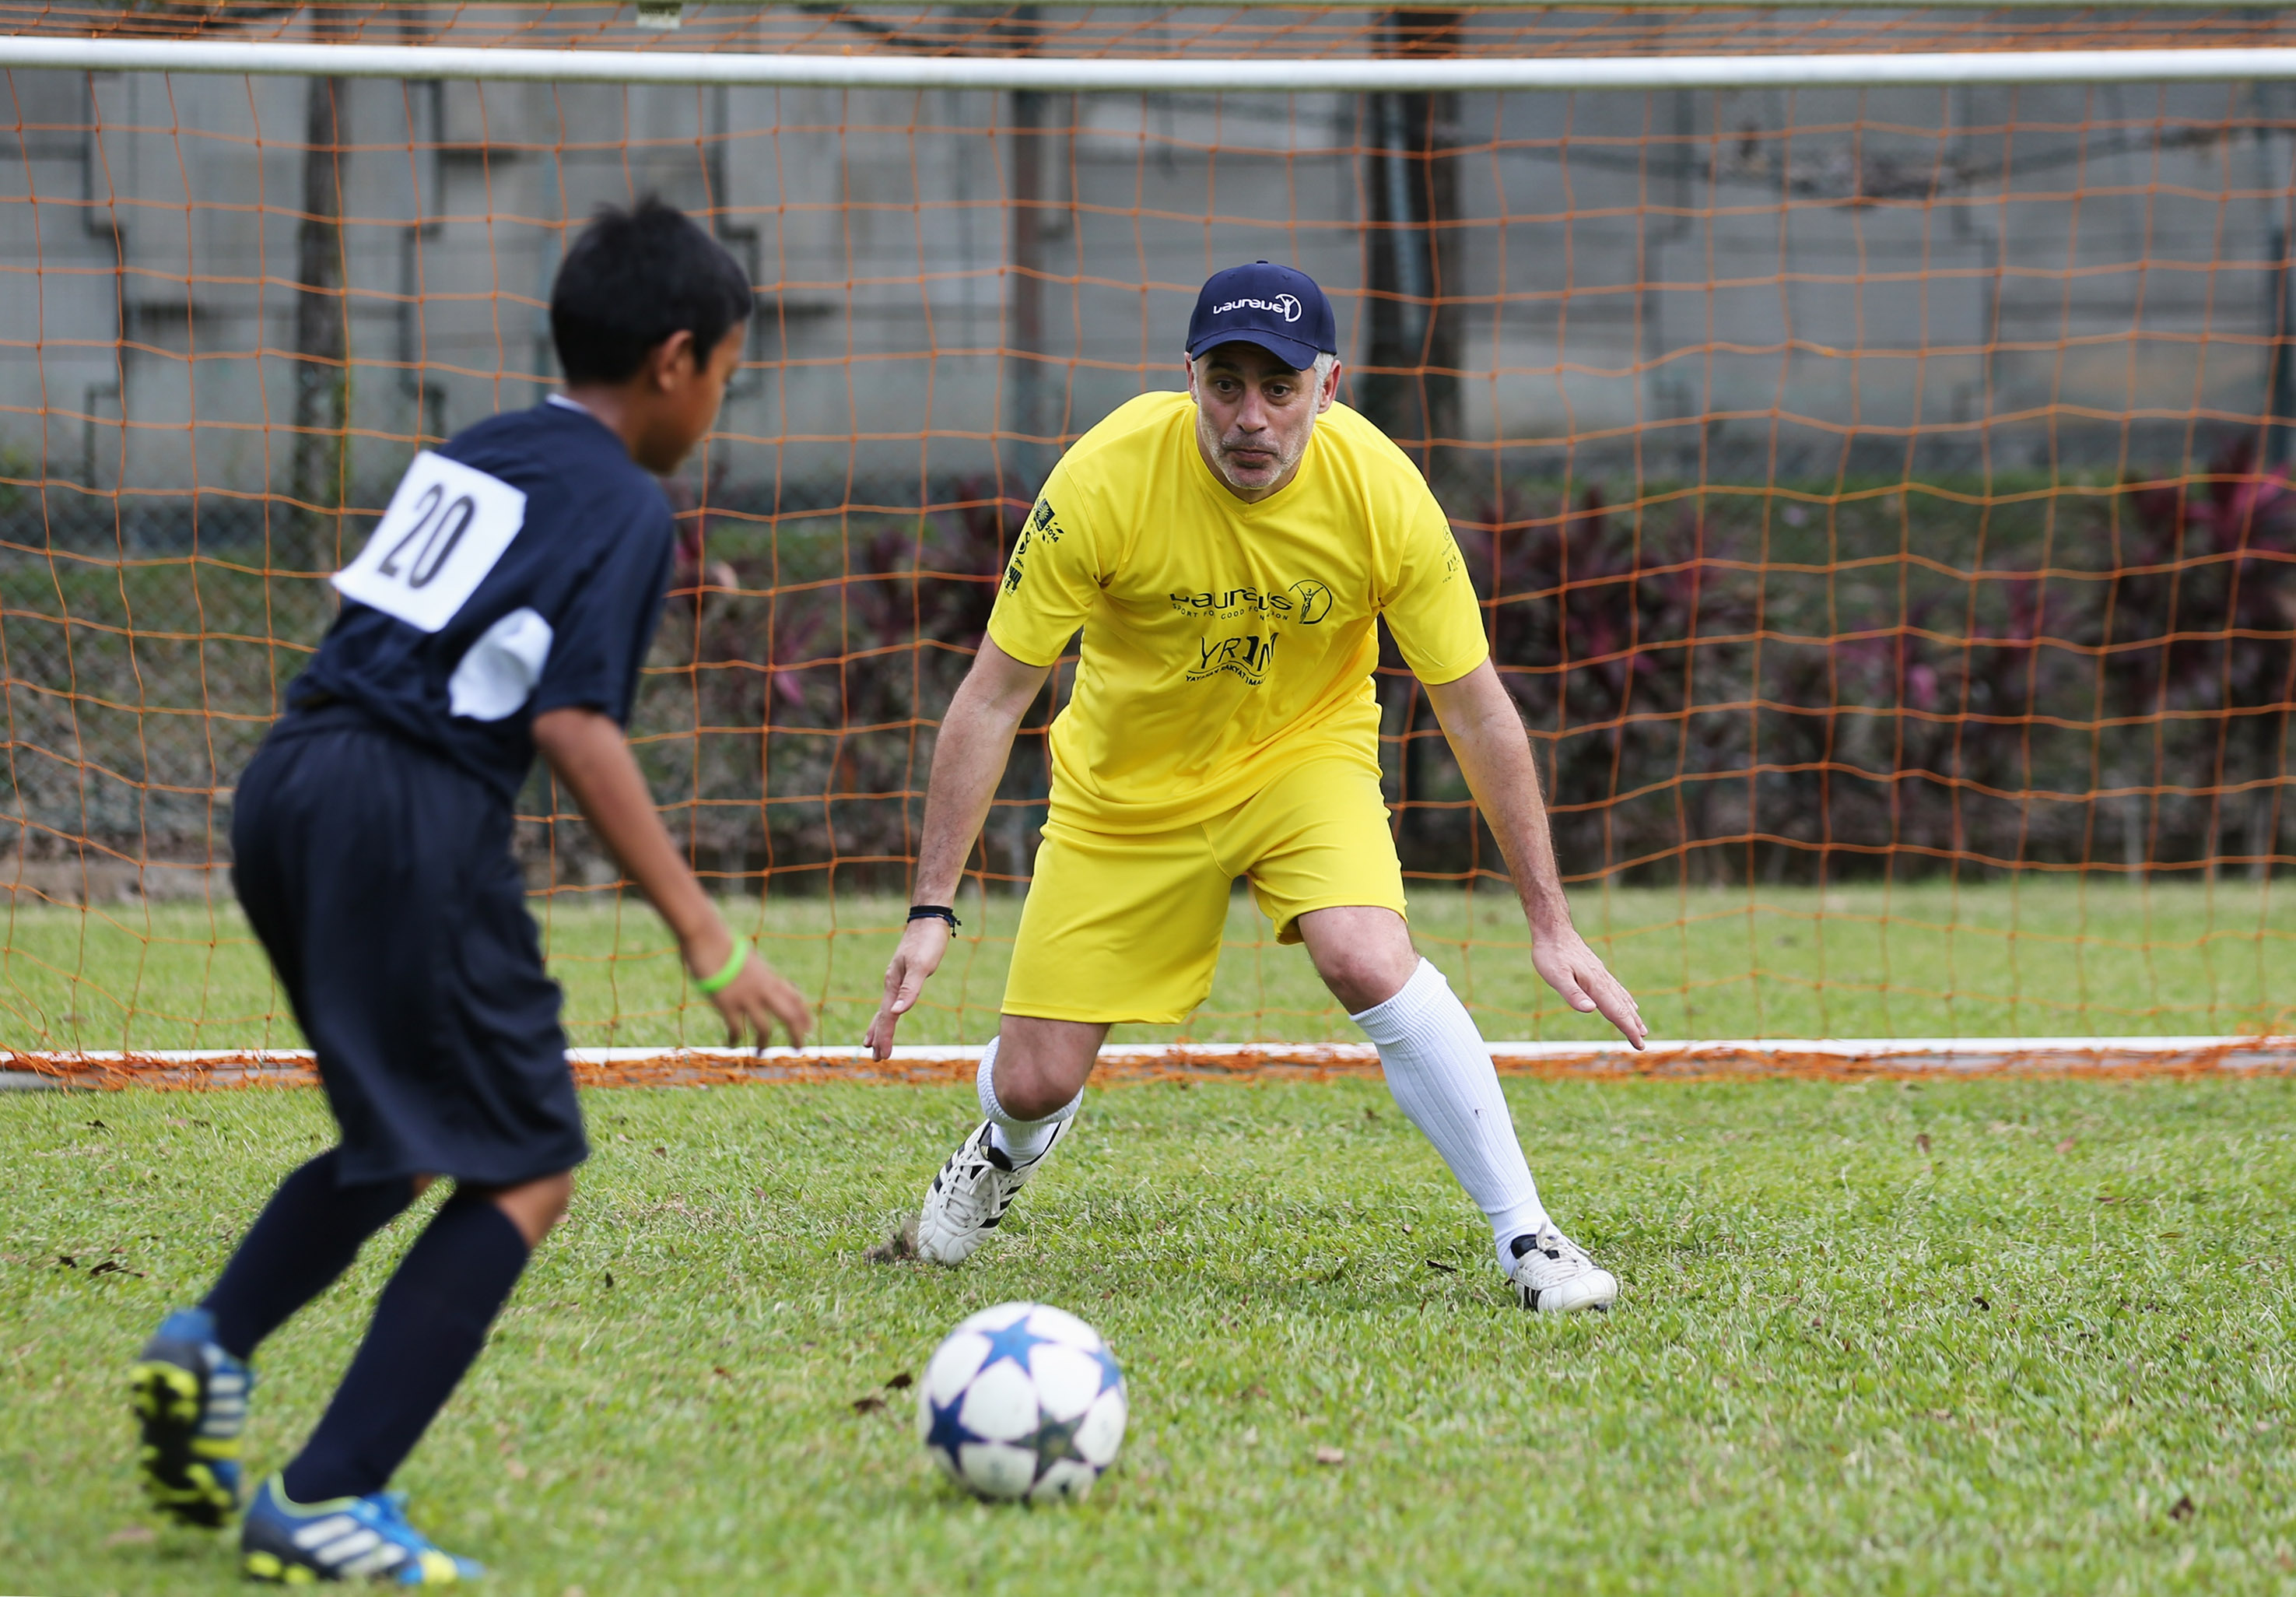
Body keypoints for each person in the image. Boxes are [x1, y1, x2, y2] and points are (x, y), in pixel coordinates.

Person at [127, 199, 812, 1585]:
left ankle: (207, 1347)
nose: (719, 402)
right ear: (677, 359)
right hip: (405, 809)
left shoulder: (478, 446)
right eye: (729, 371)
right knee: (526, 1161)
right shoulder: (627, 500)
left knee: (404, 1135)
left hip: (289, 782)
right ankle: (326, 1492)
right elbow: (574, 724)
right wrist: (709, 938)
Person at [864, 260, 1647, 1314]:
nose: (1250, 418)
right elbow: (994, 695)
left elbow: (1476, 708)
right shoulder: (1102, 479)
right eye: (1225, 384)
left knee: (1365, 952)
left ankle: (1530, 1239)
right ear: (1187, 376)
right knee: (1036, 1078)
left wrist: (1550, 923)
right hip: (1124, 790)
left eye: (1279, 389)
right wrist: (930, 908)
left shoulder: (1382, 494)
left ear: (1330, 389)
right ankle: (1001, 1149)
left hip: (1302, 756)